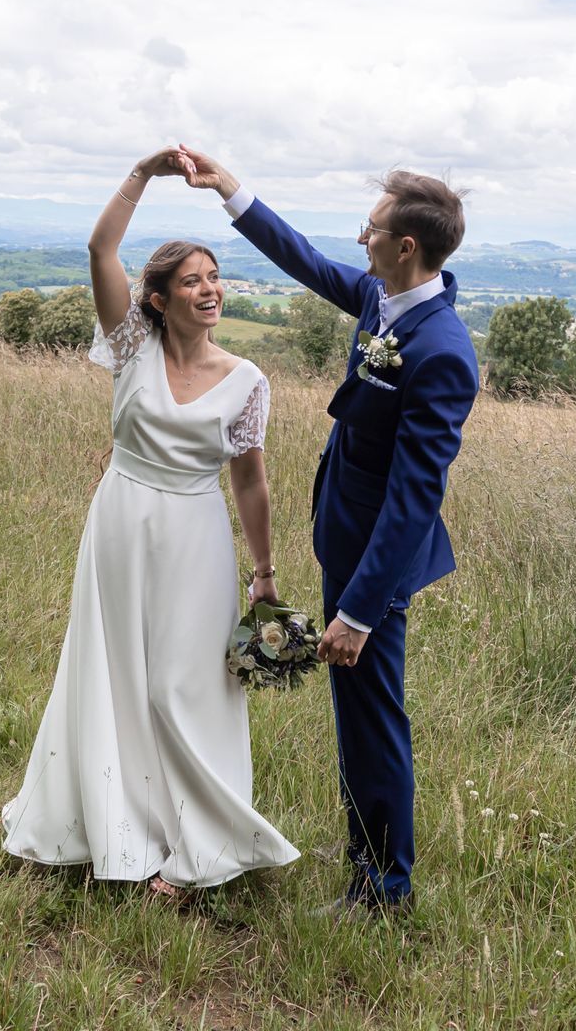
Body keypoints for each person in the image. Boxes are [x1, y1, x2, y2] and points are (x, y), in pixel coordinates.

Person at [178, 145, 478, 917]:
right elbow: (305, 261)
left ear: (404, 246)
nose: (360, 239)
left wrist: (359, 612)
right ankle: (367, 864)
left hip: (377, 563)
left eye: (370, 229)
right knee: (357, 715)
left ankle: (383, 890)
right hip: (344, 538)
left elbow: (415, 496)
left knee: (373, 720)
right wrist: (230, 191)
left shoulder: (442, 352)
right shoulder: (384, 300)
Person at [0, 148, 300, 897]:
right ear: (160, 300)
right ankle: (116, 827)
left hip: (197, 536)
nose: (209, 289)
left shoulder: (248, 381)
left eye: (214, 277)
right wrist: (142, 173)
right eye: (192, 280)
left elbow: (251, 480)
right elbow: (101, 249)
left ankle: (204, 849)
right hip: (120, 523)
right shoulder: (131, 347)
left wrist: (264, 571)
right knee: (112, 675)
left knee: (183, 687)